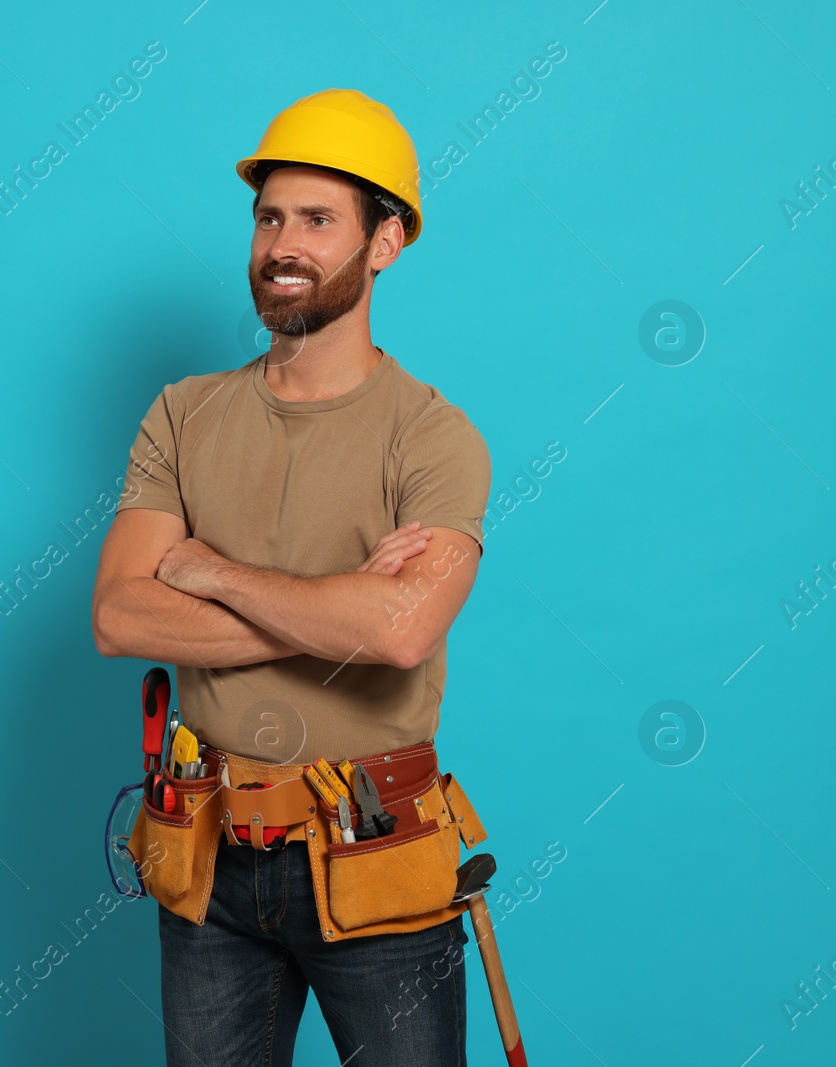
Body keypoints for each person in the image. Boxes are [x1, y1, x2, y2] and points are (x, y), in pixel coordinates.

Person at [92, 89, 493, 1066]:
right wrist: (330, 608)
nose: (284, 243)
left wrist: (204, 569)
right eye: (270, 216)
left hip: (374, 858)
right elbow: (117, 612)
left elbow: (400, 631)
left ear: (385, 240)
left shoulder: (434, 438)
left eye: (317, 220)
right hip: (208, 850)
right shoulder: (183, 415)